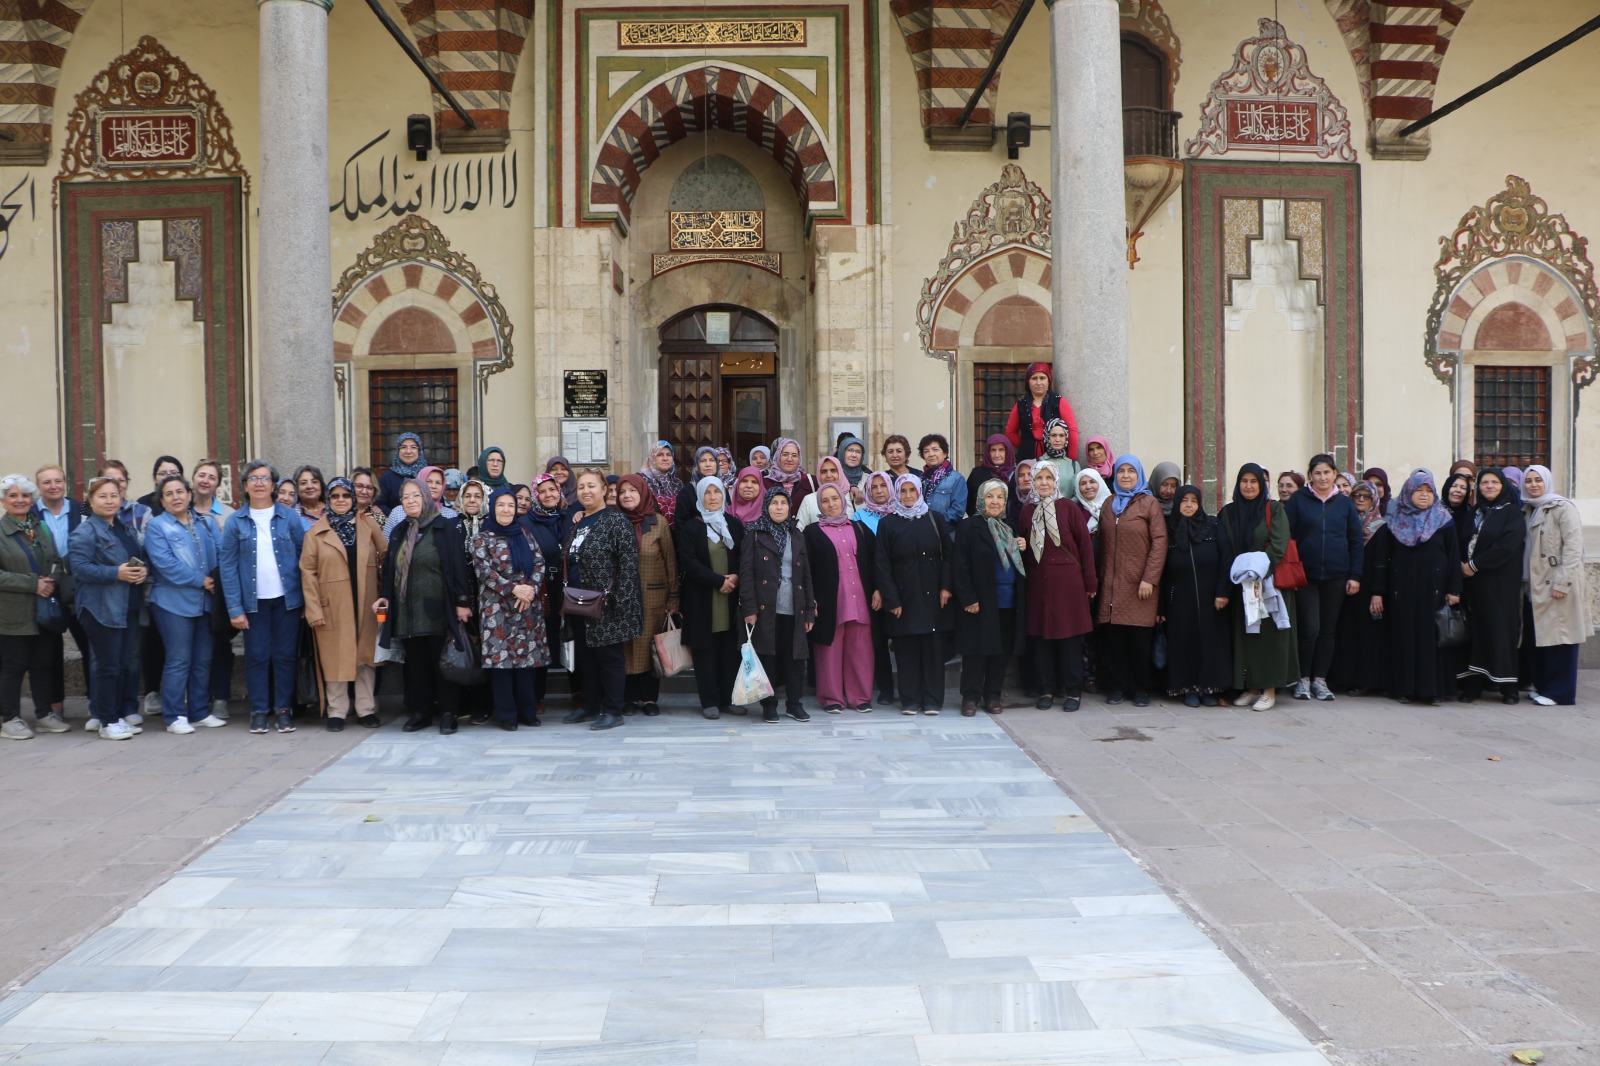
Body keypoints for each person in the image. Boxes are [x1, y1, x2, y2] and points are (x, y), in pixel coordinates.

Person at [375, 478, 472, 734]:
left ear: (426, 498)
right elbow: (390, 572)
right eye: (405, 497)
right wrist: (385, 596)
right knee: (416, 666)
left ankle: (449, 713)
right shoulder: (398, 532)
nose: (411, 501)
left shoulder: (444, 527)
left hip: (438, 609)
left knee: (441, 663)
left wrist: (462, 601)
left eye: (416, 496)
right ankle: (421, 713)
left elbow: (458, 566)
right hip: (407, 611)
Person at [220, 461, 307, 735]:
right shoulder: (235, 521)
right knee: (256, 656)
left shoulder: (289, 517)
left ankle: (283, 710)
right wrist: (234, 607)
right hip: (253, 603)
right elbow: (228, 567)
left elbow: (306, 557)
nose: (259, 483)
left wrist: (307, 600)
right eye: (253, 478)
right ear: (245, 486)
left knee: (284, 656)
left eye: (265, 478)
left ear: (273, 485)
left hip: (287, 600)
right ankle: (259, 711)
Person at [1368, 470, 1462, 705]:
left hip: (1436, 592)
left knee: (1433, 639)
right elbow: (1383, 561)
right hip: (1403, 592)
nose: (1423, 495)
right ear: (1409, 492)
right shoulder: (1395, 523)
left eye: (1428, 490)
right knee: (1405, 638)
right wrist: (1379, 591)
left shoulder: (1444, 521)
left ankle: (1433, 691)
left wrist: (1454, 589)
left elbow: (1453, 557)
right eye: (1418, 490)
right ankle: (1406, 689)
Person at [300, 477, 386, 731]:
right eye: (335, 496)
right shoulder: (315, 533)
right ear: (328, 500)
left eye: (345, 496)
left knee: (365, 657)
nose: (340, 500)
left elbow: (385, 554)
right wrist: (313, 609)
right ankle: (337, 711)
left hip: (367, 601)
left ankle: (365, 708)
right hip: (333, 606)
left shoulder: (368, 525)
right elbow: (307, 572)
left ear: (352, 499)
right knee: (335, 657)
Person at [561, 470, 641, 730]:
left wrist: (621, 599)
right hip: (579, 601)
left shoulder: (615, 520)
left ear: (604, 489)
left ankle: (613, 710)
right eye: (582, 486)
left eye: (591, 486)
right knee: (587, 657)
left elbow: (629, 562)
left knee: (609, 658)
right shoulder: (578, 521)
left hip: (606, 603)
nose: (586, 490)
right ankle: (590, 705)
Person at [144, 476, 225, 733]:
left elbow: (222, 552)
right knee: (179, 658)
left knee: (202, 659)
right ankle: (174, 715)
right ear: (162, 500)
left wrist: (217, 579)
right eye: (169, 494)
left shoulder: (205, 522)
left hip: (205, 602)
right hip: (171, 602)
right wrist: (201, 580)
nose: (176, 497)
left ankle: (199, 711)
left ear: (190, 495)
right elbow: (165, 565)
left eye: (180, 491)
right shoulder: (157, 527)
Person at [1216, 463, 1298, 711]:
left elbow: (1279, 544)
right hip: (1242, 584)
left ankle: (1269, 689)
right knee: (1246, 635)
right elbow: (1226, 547)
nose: (1249, 486)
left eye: (1254, 481)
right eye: (1244, 481)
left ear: (1262, 485)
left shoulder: (1273, 509)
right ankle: (1251, 687)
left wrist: (1257, 571)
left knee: (1269, 635)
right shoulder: (1229, 513)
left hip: (1268, 583)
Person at [70, 475, 147, 739]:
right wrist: (116, 573)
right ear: (90, 501)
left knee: (121, 664)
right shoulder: (85, 531)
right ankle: (107, 721)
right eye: (102, 496)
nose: (109, 500)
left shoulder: (122, 528)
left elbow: (132, 561)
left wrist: (140, 572)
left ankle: (115, 715)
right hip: (99, 608)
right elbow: (79, 568)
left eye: (114, 495)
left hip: (127, 605)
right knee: (107, 666)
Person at [1016, 463, 1098, 711]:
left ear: (1056, 481)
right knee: (1042, 639)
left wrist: (1090, 582)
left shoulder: (1068, 508)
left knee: (1069, 638)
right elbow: (1024, 549)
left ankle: (1073, 691)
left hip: (1068, 582)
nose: (1043, 483)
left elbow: (1085, 548)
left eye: (1048, 478)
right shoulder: (1026, 512)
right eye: (1038, 478)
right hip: (1039, 582)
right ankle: (1047, 689)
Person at [1284, 454, 1365, 703]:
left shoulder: (1344, 504)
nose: (1322, 478)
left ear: (1334, 474)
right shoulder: (1298, 501)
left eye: (1327, 473)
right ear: (1310, 475)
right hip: (1305, 576)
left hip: (1336, 576)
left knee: (1328, 630)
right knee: (1310, 628)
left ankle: (1320, 679)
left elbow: (1355, 541)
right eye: (1317, 473)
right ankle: (1302, 679)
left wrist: (1355, 575)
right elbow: (1288, 538)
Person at [470, 487, 549, 729]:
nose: (506, 509)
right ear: (493, 508)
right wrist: (514, 589)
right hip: (497, 609)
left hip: (526, 607)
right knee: (502, 663)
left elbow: (539, 562)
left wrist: (531, 589)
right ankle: (506, 714)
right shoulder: (482, 537)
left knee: (526, 661)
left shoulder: (524, 533)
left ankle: (527, 711)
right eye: (501, 505)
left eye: (510, 506)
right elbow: (484, 571)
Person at [875, 475, 952, 715]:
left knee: (932, 649)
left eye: (912, 491)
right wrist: (891, 599)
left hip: (932, 592)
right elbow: (881, 564)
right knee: (906, 649)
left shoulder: (935, 519)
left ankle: (931, 700)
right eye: (903, 491)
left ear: (920, 492)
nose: (908, 496)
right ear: (897, 493)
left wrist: (946, 587)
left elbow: (948, 555)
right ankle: (909, 699)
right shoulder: (888, 524)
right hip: (903, 595)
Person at [953, 478, 1030, 715]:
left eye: (1000, 497)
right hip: (980, 600)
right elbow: (960, 565)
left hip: (1007, 601)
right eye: (990, 496)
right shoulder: (969, 527)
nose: (995, 501)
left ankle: (993, 695)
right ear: (980, 500)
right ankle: (970, 697)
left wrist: (1022, 546)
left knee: (1000, 651)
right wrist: (968, 598)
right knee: (976, 651)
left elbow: (1017, 563)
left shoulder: (1010, 526)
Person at [739, 487, 815, 723]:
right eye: (774, 503)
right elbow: (747, 574)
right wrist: (749, 609)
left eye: (784, 503)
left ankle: (794, 704)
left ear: (790, 507)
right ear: (767, 506)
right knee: (768, 656)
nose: (779, 507)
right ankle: (769, 705)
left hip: (795, 606)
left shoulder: (797, 533)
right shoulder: (754, 533)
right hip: (765, 608)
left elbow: (806, 575)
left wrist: (810, 611)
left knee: (795, 658)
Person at [1095, 456, 1166, 706]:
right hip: (1112, 584)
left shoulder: (1149, 504)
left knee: (1138, 641)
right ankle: (1116, 687)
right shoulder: (1109, 503)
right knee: (1114, 640)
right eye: (1121, 471)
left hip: (1139, 585)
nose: (1125, 476)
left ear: (1139, 475)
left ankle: (1140, 689)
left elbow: (1159, 543)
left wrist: (1149, 579)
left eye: (1131, 471)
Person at [0, 474, 66, 739]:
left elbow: (57, 560)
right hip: (12, 612)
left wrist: (52, 581)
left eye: (25, 495)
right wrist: (32, 584)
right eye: (13, 495)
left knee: (42, 663)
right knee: (13, 666)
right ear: (3, 501)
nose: (20, 500)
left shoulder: (39, 527)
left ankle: (43, 714)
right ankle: (10, 718)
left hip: (43, 611)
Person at [677, 476, 746, 720]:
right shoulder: (691, 527)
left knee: (729, 651)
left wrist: (736, 576)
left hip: (730, 599)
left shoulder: (734, 524)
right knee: (705, 652)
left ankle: (728, 699)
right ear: (700, 497)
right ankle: (709, 701)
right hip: (702, 599)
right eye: (708, 493)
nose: (713, 497)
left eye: (718, 492)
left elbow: (743, 555)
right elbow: (689, 563)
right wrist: (719, 581)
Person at [1522, 464, 1590, 706]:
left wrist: (1563, 582)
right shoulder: (1529, 508)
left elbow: (1573, 548)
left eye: (1538, 480)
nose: (1533, 485)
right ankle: (1544, 686)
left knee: (1562, 637)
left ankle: (1560, 693)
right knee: (1541, 637)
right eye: (1528, 480)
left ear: (1547, 482)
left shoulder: (1563, 507)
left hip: (1558, 583)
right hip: (1536, 584)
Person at [804, 483, 876, 714]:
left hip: (860, 600)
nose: (831, 504)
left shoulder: (859, 528)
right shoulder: (812, 532)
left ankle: (860, 697)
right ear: (819, 505)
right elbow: (806, 570)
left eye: (834, 498)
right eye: (825, 500)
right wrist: (810, 599)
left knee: (861, 650)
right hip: (830, 601)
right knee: (829, 651)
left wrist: (878, 590)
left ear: (843, 500)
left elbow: (873, 564)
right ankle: (831, 698)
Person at [1455, 468, 1524, 705]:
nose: (1490, 486)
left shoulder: (1512, 513)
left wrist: (1474, 565)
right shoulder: (1475, 511)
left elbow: (1507, 546)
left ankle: (1508, 688)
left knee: (1501, 632)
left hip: (1499, 585)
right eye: (1485, 482)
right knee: (1477, 633)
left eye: (1495, 482)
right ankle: (1474, 686)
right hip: (1473, 586)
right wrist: (1463, 565)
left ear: (1503, 486)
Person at [1159, 486, 1232, 706]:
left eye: (1193, 501)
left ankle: (1209, 688)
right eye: (1184, 501)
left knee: (1211, 643)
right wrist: (1161, 607)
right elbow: (1161, 570)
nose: (1189, 505)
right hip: (1179, 598)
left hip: (1212, 597)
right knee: (1184, 642)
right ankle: (1188, 688)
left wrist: (1222, 592)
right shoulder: (1169, 528)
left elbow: (1226, 559)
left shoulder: (1213, 525)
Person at [616, 473, 678, 717]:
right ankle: (629, 697)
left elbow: (670, 562)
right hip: (622, 597)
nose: (627, 495)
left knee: (650, 645)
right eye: (622, 492)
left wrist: (673, 598)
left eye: (633, 491)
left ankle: (650, 698)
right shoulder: (614, 520)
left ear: (642, 493)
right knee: (627, 646)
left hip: (653, 595)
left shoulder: (658, 522)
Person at [32, 465, 89, 724]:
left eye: (58, 481)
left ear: (65, 482)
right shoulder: (30, 513)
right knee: (49, 650)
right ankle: (55, 705)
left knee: (89, 646)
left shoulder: (81, 509)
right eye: (47, 482)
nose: (53, 486)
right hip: (46, 588)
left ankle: (94, 701)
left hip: (78, 588)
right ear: (39, 486)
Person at [1328, 481, 1391, 696]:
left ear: (1374, 500)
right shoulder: (1344, 522)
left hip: (1368, 589)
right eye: (1357, 496)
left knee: (1368, 636)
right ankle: (1345, 678)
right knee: (1346, 633)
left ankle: (1367, 680)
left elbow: (1382, 563)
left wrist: (1377, 592)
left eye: (1366, 496)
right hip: (1346, 585)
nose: (1361, 500)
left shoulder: (1380, 527)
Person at [526, 475, 570, 715]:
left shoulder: (571, 516)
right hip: (543, 587)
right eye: (543, 492)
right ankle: (537, 695)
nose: (549, 495)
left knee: (573, 634)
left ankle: (578, 693)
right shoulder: (527, 522)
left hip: (570, 586)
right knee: (541, 639)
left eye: (552, 490)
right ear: (536, 495)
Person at [855, 471, 899, 705]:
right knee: (879, 640)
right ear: (868, 491)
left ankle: (909, 687)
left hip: (902, 586)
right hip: (872, 587)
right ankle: (886, 689)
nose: (879, 490)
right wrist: (877, 588)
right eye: (874, 487)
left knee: (903, 639)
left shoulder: (902, 513)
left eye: (884, 486)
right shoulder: (859, 517)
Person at [1004, 361, 1079, 462]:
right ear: (1028, 382)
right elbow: (1010, 433)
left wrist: (1071, 461)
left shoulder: (1059, 402)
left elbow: (1072, 430)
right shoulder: (1021, 405)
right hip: (1028, 461)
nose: (1038, 383)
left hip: (1056, 460)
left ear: (1049, 381)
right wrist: (1027, 445)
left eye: (1042, 378)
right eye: (1034, 378)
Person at [384, 465, 455, 537]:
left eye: (438, 483)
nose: (433, 486)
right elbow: (387, 543)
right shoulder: (398, 512)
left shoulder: (450, 515)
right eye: (429, 481)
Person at [918, 434, 968, 529]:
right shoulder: (920, 479)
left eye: (935, 449)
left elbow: (957, 511)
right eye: (926, 451)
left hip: (947, 533)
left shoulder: (956, 479)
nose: (931, 454)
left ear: (945, 453)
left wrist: (932, 521)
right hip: (922, 532)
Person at [796, 455, 856, 529]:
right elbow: (799, 530)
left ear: (840, 472)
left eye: (833, 470)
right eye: (824, 472)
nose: (829, 475)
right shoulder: (809, 500)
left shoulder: (852, 496)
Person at [967, 435, 1016, 517]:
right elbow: (968, 502)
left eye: (1001, 450)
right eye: (993, 450)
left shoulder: (1017, 474)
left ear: (1008, 451)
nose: (997, 455)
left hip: (1010, 525)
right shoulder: (977, 473)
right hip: (981, 524)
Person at [639, 441, 685, 526]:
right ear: (652, 457)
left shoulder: (678, 484)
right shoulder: (641, 481)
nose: (665, 458)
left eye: (669, 455)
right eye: (660, 455)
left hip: (676, 534)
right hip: (652, 534)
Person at [378, 433, 427, 513]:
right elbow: (380, 504)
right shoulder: (387, 478)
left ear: (419, 451)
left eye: (413, 447)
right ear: (398, 451)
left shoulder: (428, 474)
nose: (408, 451)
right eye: (403, 447)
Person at [763, 438, 816, 512]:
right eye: (785, 455)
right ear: (778, 457)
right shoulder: (765, 482)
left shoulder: (810, 481)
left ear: (799, 459)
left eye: (794, 455)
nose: (790, 459)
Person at [1036, 420, 1081, 497]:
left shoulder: (1074, 465)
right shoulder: (1037, 463)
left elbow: (1079, 494)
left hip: (1068, 508)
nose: (1057, 439)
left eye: (1061, 435)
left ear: (1066, 437)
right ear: (1047, 437)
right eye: (1053, 435)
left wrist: (1066, 506)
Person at [674, 447, 722, 519]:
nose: (708, 464)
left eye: (712, 460)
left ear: (717, 464)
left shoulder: (722, 488)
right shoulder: (687, 491)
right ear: (697, 464)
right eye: (703, 461)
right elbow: (681, 523)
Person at [1074, 468, 1109, 537]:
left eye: (1092, 482)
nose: (1088, 487)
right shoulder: (1075, 511)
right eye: (1083, 483)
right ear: (1078, 488)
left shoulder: (1111, 507)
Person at [293, 465, 327, 532]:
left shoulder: (332, 509)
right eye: (303, 483)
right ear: (296, 488)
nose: (309, 486)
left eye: (314, 482)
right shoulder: (293, 514)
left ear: (321, 485)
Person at [835, 436, 869, 502]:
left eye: (858, 452)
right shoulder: (833, 477)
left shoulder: (869, 479)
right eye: (850, 450)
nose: (854, 455)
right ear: (842, 452)